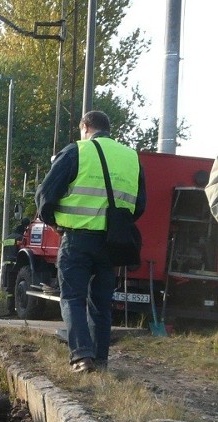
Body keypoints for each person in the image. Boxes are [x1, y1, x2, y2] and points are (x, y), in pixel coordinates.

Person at [36, 110, 146, 373]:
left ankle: (82, 356)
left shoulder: (77, 151)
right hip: (112, 243)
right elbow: (140, 205)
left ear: (85, 127)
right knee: (101, 303)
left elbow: (45, 195)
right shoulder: (131, 158)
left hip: (77, 239)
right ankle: (101, 360)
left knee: (73, 297)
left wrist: (54, 222)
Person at [3, 217, 31, 314]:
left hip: (7, 266)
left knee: (10, 289)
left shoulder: (7, 238)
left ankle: (10, 309)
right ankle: (14, 308)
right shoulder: (20, 238)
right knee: (16, 287)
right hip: (15, 266)